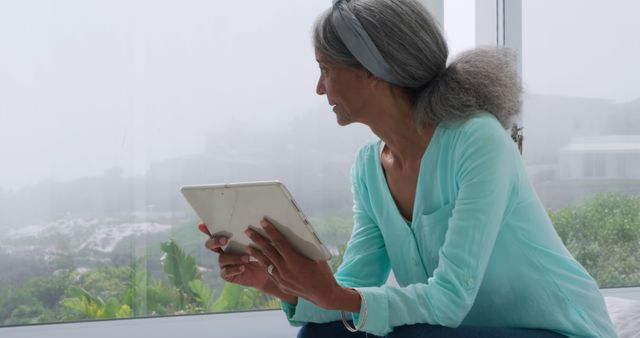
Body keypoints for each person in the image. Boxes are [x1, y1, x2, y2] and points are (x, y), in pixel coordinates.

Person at [204, 0, 618, 337]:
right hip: (470, 330)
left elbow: (449, 298)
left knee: (410, 335)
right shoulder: (368, 167)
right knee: (321, 336)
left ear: (372, 70)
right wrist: (271, 281)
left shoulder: (477, 140)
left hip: (558, 330)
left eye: (326, 70)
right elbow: (350, 288)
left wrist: (335, 295)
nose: (319, 87)